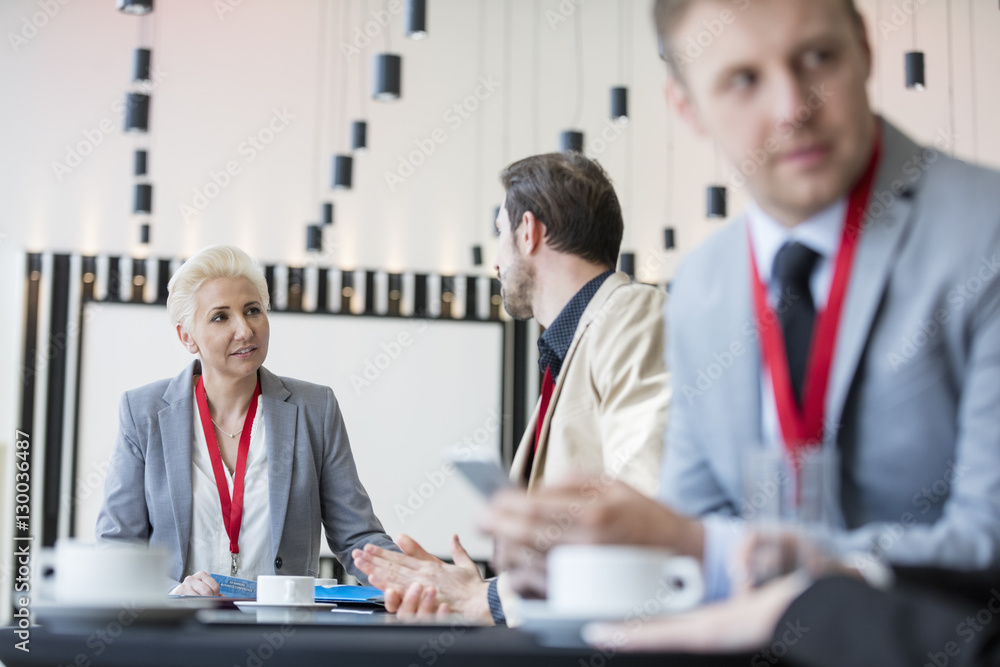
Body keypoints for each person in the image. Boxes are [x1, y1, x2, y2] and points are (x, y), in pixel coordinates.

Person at [480, 0, 1000, 603]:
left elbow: (986, 539)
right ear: (687, 106)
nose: (792, 108)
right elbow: (682, 548)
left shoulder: (984, 231)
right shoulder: (704, 287)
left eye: (818, 57)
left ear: (863, 47)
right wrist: (570, 573)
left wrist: (728, 555)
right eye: (743, 79)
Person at [351, 152, 670, 622]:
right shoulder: (571, 347)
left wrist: (491, 600)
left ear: (528, 231)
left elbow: (647, 523)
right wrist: (478, 591)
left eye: (499, 233)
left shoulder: (631, 316)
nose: (497, 263)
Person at [96, 245, 397, 595]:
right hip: (180, 623)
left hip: (282, 623)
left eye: (253, 311)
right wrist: (174, 593)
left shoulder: (315, 409)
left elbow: (358, 537)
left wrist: (420, 580)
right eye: (220, 317)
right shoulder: (143, 412)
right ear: (187, 336)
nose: (244, 330)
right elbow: (117, 547)